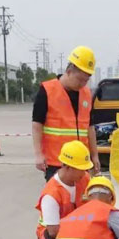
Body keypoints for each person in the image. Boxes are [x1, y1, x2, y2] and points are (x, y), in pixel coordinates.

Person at [32, 46, 100, 182]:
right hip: (57, 162)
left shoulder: (86, 94)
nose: (82, 84)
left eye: (86, 81)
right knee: (59, 199)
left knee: (82, 200)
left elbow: (90, 127)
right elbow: (37, 124)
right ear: (68, 71)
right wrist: (38, 155)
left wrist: (95, 156)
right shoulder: (47, 90)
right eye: (80, 80)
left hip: (81, 162)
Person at [35, 140, 92, 239]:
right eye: (81, 169)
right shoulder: (51, 194)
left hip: (79, 230)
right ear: (68, 167)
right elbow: (53, 231)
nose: (85, 172)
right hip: (56, 235)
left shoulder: (85, 179)